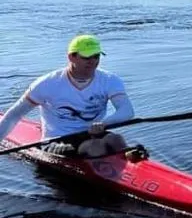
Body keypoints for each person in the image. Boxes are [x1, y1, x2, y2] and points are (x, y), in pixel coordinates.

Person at [0, 35, 135, 159]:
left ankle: (132, 162)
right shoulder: (47, 84)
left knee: (116, 139)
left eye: (96, 56)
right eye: (86, 57)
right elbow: (13, 116)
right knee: (95, 148)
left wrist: (104, 123)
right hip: (57, 140)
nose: (92, 62)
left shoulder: (109, 80)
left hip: (91, 134)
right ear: (71, 57)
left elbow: (127, 111)